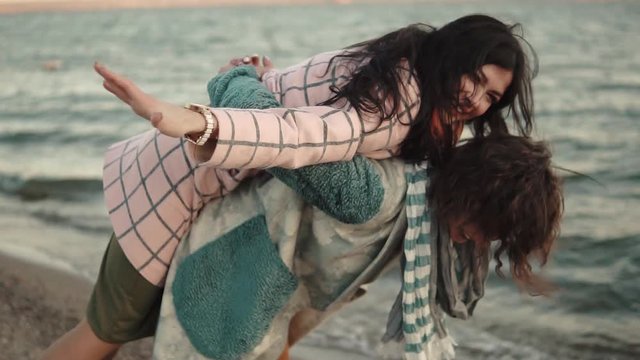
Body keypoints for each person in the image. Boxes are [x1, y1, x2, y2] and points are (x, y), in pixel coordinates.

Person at [43, 14, 540, 360]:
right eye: (475, 78)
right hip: (176, 184)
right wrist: (201, 111)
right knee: (104, 331)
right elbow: (295, 138)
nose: (476, 99)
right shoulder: (395, 104)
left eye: (492, 96)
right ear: (451, 55)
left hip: (219, 187)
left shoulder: (429, 113)